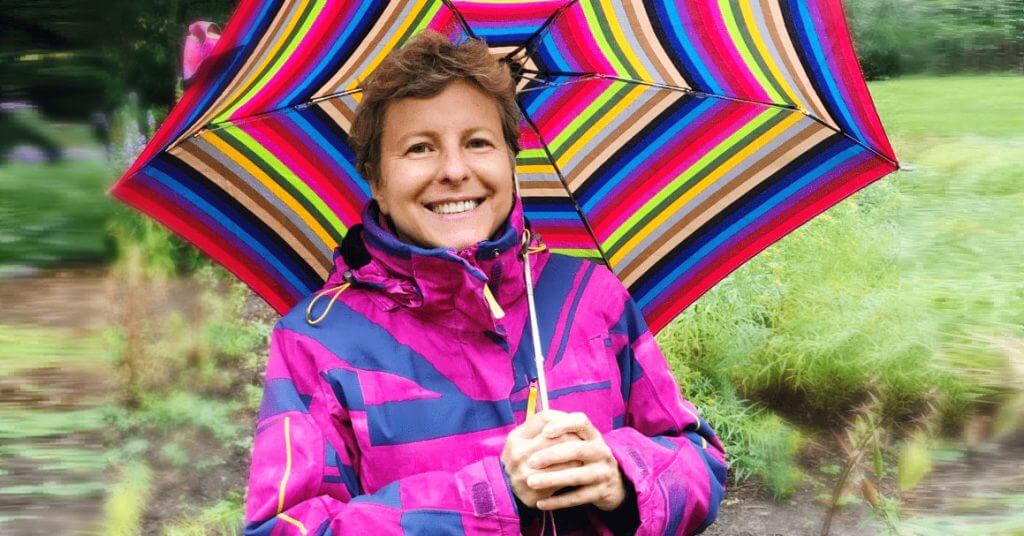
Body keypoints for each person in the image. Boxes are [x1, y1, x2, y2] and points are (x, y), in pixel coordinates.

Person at [244, 31, 726, 536]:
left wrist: (624, 475)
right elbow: (285, 527)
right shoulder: (315, 343)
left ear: (511, 163)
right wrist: (491, 494)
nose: (454, 170)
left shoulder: (590, 295)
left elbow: (700, 461)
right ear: (378, 185)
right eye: (419, 148)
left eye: (478, 142)